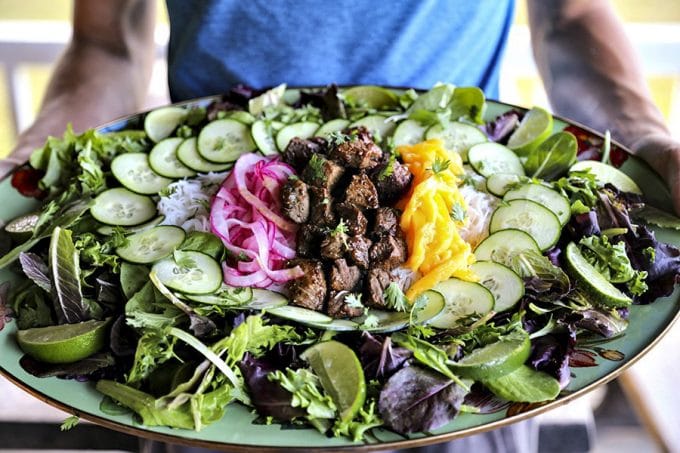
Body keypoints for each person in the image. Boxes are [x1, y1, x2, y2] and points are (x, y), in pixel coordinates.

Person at [0, 1, 677, 452]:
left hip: (453, 326)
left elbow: (573, 17)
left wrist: (649, 138)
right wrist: (28, 161)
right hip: (207, 309)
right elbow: (106, 42)